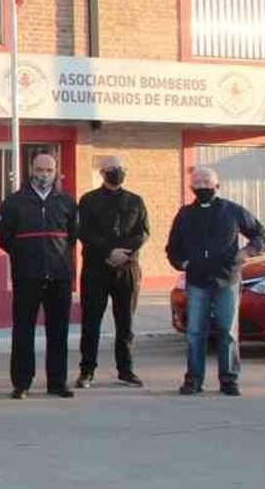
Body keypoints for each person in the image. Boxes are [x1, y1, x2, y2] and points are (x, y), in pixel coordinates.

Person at [166, 167, 265, 397]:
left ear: (217, 185)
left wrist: (247, 252)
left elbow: (259, 233)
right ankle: (193, 380)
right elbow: (173, 247)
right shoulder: (185, 214)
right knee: (195, 332)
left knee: (227, 332)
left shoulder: (232, 210)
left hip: (227, 279)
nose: (202, 186)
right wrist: (182, 263)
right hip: (197, 280)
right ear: (191, 186)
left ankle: (229, 379)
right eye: (197, 182)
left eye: (207, 181)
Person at [0, 152, 79, 400]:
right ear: (31, 170)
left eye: (49, 170)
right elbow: (4, 238)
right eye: (40, 169)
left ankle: (57, 382)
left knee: (58, 331)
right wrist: (26, 255)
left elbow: (73, 236)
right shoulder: (14, 202)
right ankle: (22, 383)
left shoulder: (66, 202)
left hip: (59, 276)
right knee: (23, 331)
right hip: (27, 276)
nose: (44, 174)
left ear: (56, 173)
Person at [76, 156, 150, 389]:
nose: (116, 172)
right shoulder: (88, 200)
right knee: (91, 322)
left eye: (120, 169)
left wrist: (125, 253)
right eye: (111, 169)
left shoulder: (136, 200)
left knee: (125, 322)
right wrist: (109, 251)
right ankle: (87, 371)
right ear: (102, 172)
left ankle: (126, 370)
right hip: (96, 268)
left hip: (127, 269)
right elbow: (82, 231)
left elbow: (143, 232)